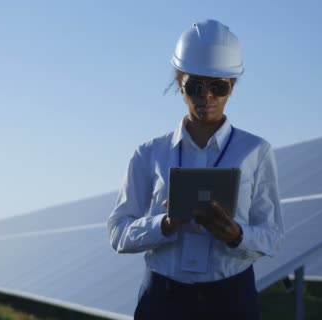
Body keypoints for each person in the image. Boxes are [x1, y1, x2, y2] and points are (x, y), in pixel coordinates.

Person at [107, 19, 284, 320]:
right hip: (163, 299)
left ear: (232, 87)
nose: (207, 97)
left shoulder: (256, 151)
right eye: (195, 86)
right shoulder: (150, 153)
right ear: (179, 83)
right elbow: (117, 232)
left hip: (231, 300)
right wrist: (162, 224)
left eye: (218, 87)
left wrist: (236, 235)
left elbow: (272, 235)